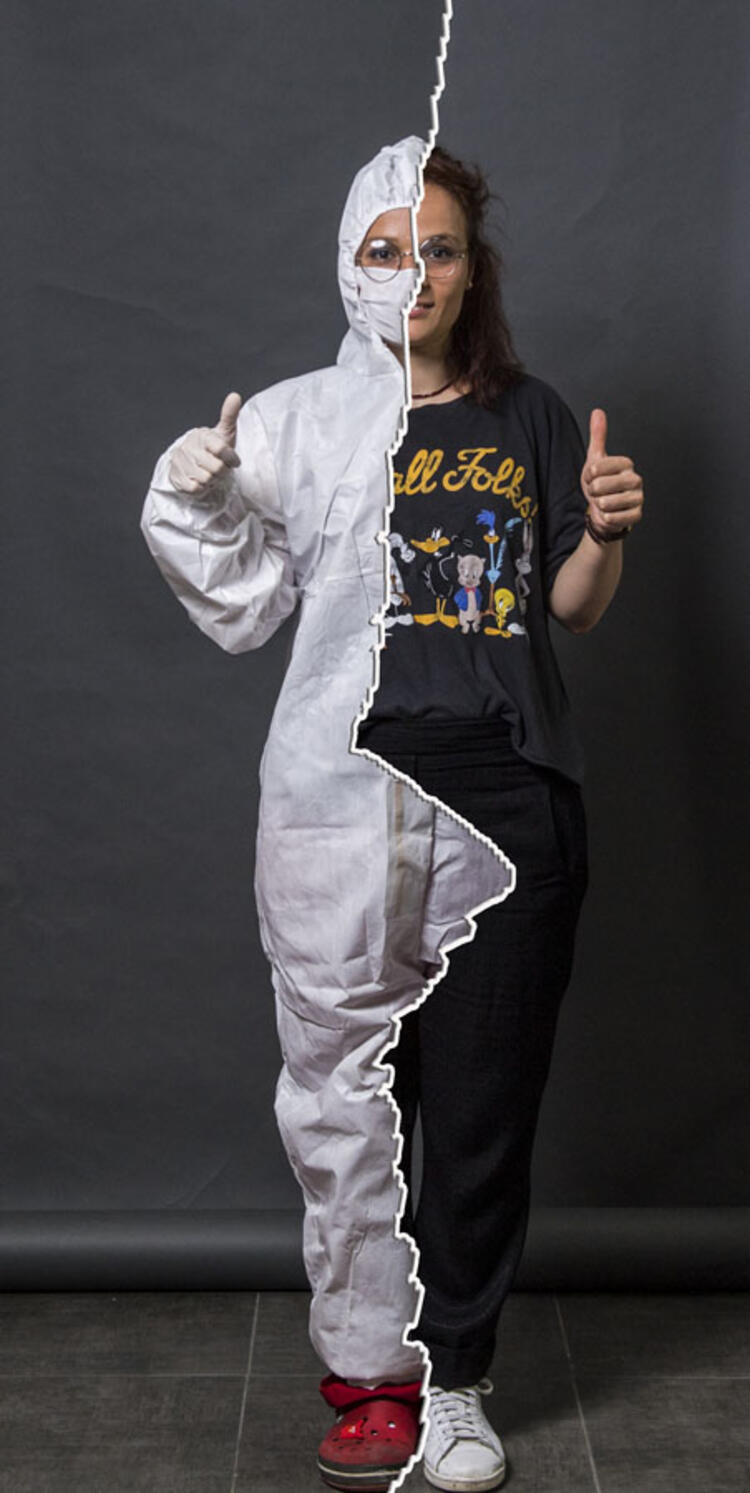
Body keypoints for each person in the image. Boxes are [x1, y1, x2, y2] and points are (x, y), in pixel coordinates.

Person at [140, 137, 644, 1493]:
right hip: (342, 799)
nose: (413, 273)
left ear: (473, 269)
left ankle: (457, 1383)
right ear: (349, 262)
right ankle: (373, 1382)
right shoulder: (299, 423)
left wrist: (602, 531)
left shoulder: (530, 415)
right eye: (387, 248)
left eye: (440, 248)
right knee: (348, 1105)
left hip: (509, 802)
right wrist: (193, 494)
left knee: (479, 1110)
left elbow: (569, 610)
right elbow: (241, 605)